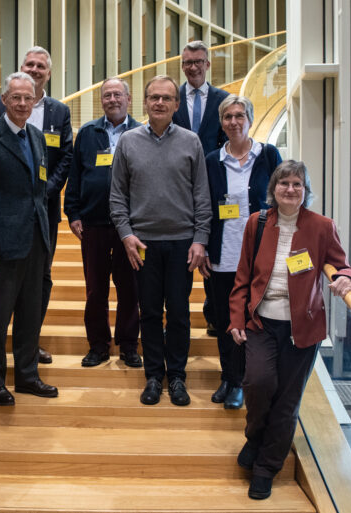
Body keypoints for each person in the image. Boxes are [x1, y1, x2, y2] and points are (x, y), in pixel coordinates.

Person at [228, 160, 351, 500]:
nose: (290, 189)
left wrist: (349, 279)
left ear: (306, 190)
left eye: (297, 184)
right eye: (284, 183)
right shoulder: (256, 223)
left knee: (287, 402)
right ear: (273, 189)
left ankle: (266, 467)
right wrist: (236, 318)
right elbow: (242, 277)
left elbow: (344, 267)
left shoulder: (322, 226)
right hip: (260, 321)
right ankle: (256, 436)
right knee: (258, 384)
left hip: (303, 327)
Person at [109, 75, 211, 407]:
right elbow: (117, 197)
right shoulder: (127, 141)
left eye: (167, 98)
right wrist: (126, 234)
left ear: (176, 104)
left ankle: (177, 376)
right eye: (154, 97)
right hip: (143, 244)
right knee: (149, 312)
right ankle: (154, 375)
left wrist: (200, 239)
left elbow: (202, 197)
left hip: (182, 242)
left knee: (179, 313)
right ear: (145, 102)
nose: (160, 103)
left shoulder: (191, 141)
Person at [0, 71, 58, 406]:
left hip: (36, 239)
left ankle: (27, 376)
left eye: (28, 98)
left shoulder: (36, 137)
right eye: (16, 97)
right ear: (4, 100)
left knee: (31, 312)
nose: (22, 103)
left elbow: (39, 190)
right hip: (3, 244)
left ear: (35, 102)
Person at [0, 46, 73, 364]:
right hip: (7, 213)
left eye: (41, 66)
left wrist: (45, 191)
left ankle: (28, 343)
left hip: (44, 211)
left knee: (41, 278)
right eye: (29, 64)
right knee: (6, 279)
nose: (35, 69)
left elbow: (65, 157)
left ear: (49, 73)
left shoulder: (60, 112)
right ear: (21, 68)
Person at [200, 95, 282, 409]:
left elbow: (281, 201)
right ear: (221, 123)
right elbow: (204, 206)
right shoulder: (212, 161)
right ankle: (229, 377)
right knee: (224, 321)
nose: (234, 122)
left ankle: (246, 380)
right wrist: (204, 245)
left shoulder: (268, 155)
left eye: (239, 115)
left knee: (252, 322)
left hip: (259, 258)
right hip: (223, 254)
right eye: (228, 117)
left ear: (249, 118)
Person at [64, 77, 142, 368]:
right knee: (95, 289)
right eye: (107, 95)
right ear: (102, 101)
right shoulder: (87, 133)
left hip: (131, 229)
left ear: (128, 99)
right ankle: (98, 344)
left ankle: (128, 345)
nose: (112, 99)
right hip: (94, 225)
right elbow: (75, 175)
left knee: (130, 288)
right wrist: (72, 213)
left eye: (117, 94)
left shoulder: (141, 132)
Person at [172, 40, 230, 336]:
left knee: (212, 248)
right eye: (187, 63)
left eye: (198, 61)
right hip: (177, 188)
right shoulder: (173, 98)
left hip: (214, 186)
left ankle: (213, 311)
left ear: (208, 64)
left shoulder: (224, 100)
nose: (192, 67)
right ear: (182, 66)